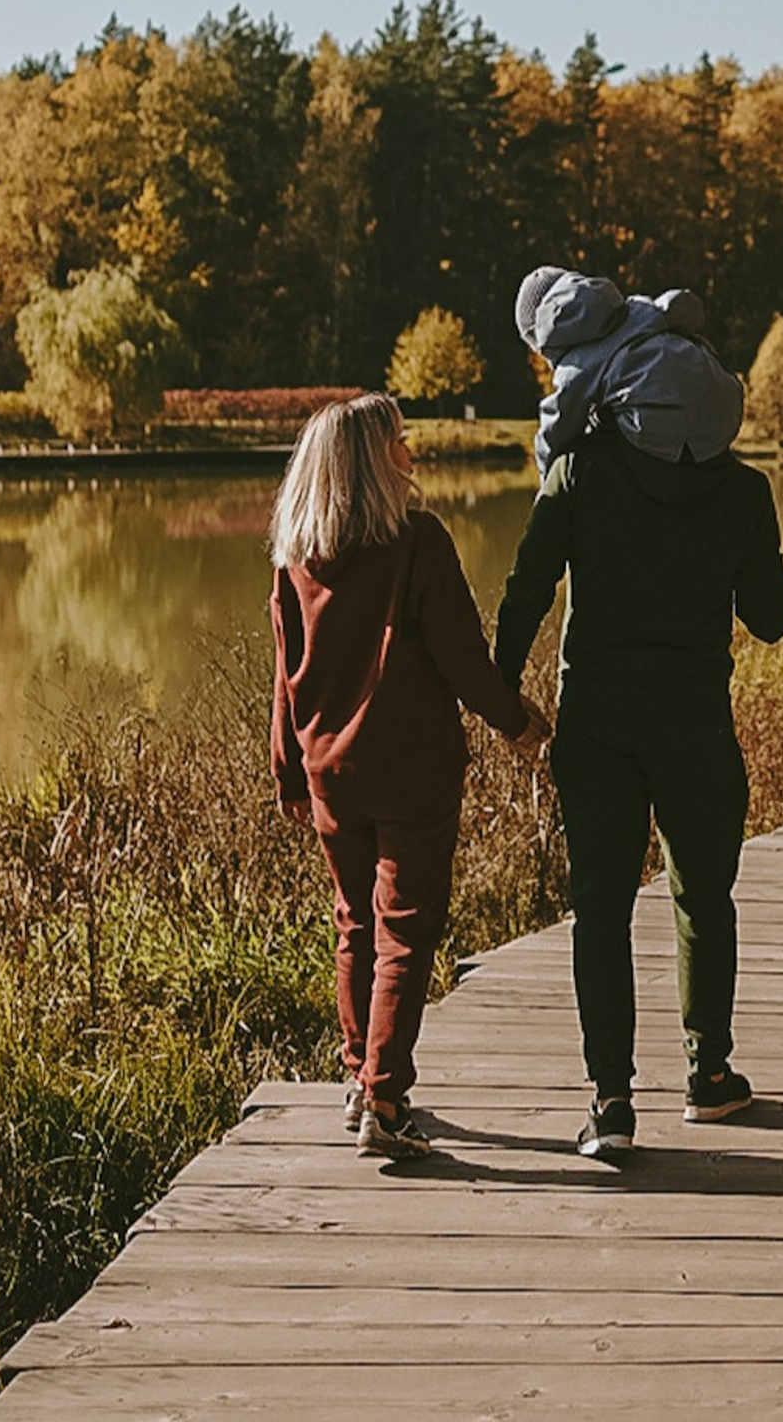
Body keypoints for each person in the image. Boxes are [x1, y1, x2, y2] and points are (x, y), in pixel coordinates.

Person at [494, 412, 783, 1159]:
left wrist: (502, 693)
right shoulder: (742, 490)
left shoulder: (580, 470)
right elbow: (771, 617)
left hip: (596, 728)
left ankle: (611, 1104)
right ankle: (709, 1075)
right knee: (703, 896)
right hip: (695, 726)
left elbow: (529, 585)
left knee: (601, 910)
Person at [269, 392, 546, 1160]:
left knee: (355, 924)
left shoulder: (295, 558)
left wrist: (287, 770)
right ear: (370, 461)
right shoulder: (417, 541)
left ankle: (361, 1080)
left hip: (329, 772)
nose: (411, 451)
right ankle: (386, 1103)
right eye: (398, 440)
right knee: (404, 930)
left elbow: (284, 676)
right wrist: (516, 721)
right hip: (413, 769)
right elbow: (461, 657)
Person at [516, 265, 745, 480]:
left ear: (541, 337)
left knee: (596, 422)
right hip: (727, 405)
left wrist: (547, 479)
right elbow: (686, 307)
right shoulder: (637, 308)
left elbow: (556, 430)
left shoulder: (575, 366)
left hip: (661, 426)